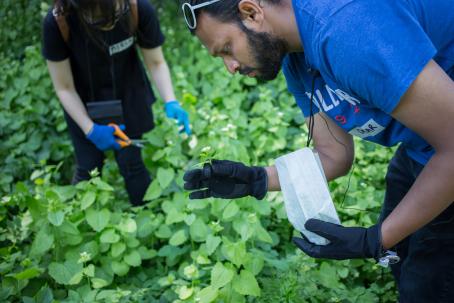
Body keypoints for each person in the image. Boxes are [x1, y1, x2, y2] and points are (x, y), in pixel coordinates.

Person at [180, 0, 454, 301]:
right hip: (427, 142)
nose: (230, 68)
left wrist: (375, 239)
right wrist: (257, 179)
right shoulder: (295, 56)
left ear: (252, 12)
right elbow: (333, 155)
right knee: (401, 255)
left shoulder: (345, 31)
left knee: (426, 285)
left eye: (227, 49)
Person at [42, 0, 191, 206]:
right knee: (88, 167)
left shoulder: (138, 9)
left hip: (128, 94)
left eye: (117, 11)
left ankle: (147, 218)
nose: (111, 23)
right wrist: (90, 129)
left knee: (132, 164)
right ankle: (74, 215)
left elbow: (156, 62)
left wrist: (171, 101)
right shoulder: (58, 22)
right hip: (82, 103)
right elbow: (64, 88)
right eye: (101, 18)